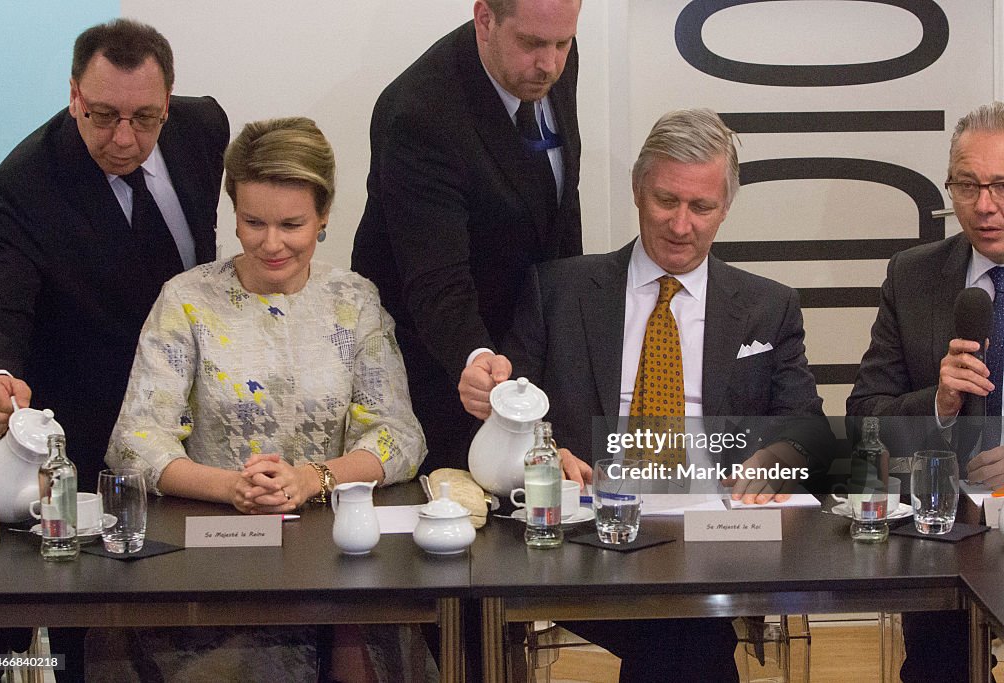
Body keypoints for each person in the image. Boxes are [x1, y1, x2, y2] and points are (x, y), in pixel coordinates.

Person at [459, 109, 832, 681]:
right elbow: (516, 407)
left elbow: (805, 428)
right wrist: (544, 451)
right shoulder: (558, 289)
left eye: (701, 207)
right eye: (666, 201)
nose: (682, 225)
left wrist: (775, 457)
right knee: (688, 630)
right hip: (591, 532)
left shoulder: (767, 305)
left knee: (684, 619)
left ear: (725, 208)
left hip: (715, 529)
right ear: (638, 191)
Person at [97, 117, 430, 681]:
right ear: (233, 211)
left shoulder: (353, 301)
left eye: (292, 224)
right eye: (253, 222)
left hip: (338, 563)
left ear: (323, 216)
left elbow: (399, 436)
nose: (271, 243)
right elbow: (134, 442)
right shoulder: (187, 301)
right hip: (209, 566)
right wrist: (231, 488)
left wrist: (311, 479)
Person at [0, 19, 227, 683]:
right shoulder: (24, 184)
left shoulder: (204, 128)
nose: (124, 139)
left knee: (196, 607)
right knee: (82, 620)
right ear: (72, 96)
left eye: (145, 118)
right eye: (103, 117)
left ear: (170, 103)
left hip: (192, 426)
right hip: (90, 421)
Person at [352, 0, 583, 473]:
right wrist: (476, 357)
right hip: (442, 362)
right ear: (485, 19)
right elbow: (437, 279)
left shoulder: (553, 60)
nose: (549, 64)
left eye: (562, 43)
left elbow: (556, 203)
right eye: (533, 44)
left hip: (530, 346)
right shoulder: (419, 114)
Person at [847, 102, 1004, 683]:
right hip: (944, 529)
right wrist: (936, 405)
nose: (984, 205)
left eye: (1001, 185)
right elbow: (865, 414)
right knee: (939, 668)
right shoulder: (912, 275)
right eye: (968, 185)